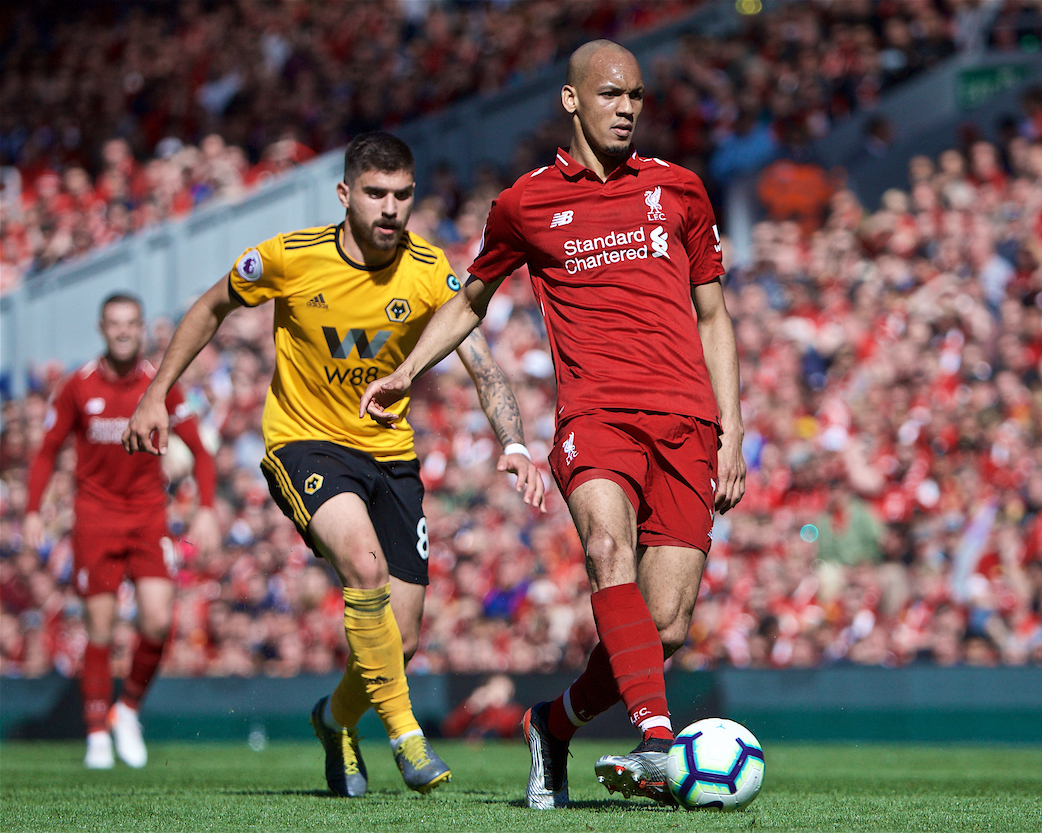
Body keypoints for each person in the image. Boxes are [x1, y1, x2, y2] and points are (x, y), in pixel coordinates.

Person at [359, 40, 746, 808]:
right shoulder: (525, 203)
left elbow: (714, 314)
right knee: (609, 548)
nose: (627, 108)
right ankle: (659, 743)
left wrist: (731, 427)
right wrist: (407, 369)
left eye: (636, 95)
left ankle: (552, 723)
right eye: (610, 94)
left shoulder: (681, 191)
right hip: (595, 416)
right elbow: (470, 300)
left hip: (687, 423)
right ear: (572, 101)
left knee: (664, 629)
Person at [123, 131, 545, 797]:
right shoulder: (289, 258)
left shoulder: (432, 270)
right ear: (346, 195)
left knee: (400, 644)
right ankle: (407, 735)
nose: (390, 208)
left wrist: (515, 444)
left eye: (403, 195)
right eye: (376, 194)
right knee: (364, 565)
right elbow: (209, 308)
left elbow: (483, 364)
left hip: (392, 457)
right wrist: (155, 394)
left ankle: (334, 718)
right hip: (306, 442)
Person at [24, 292, 218, 769]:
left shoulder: (161, 383)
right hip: (95, 517)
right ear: (102, 328)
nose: (124, 331)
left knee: (156, 619)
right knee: (101, 628)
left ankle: (126, 709)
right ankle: (95, 736)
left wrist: (208, 509)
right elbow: (47, 449)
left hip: (148, 514)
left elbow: (204, 452)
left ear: (141, 326)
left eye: (132, 322)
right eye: (115, 323)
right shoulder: (78, 385)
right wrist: (32, 510)